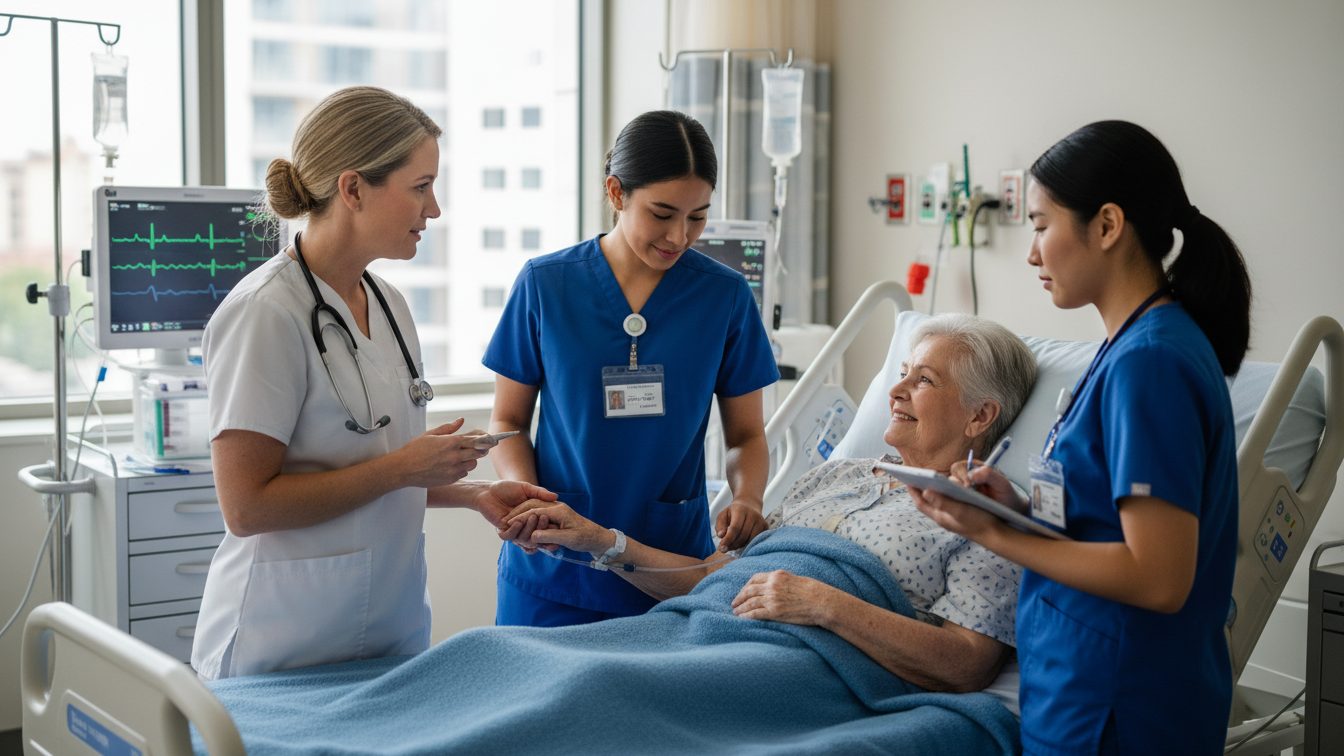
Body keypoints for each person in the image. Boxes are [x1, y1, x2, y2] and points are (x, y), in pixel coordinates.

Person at [192, 86, 556, 680]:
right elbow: (247, 507)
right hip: (283, 634)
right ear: (353, 188)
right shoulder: (265, 313)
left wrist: (469, 494)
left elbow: (374, 466)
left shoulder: (389, 305)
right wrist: (406, 468)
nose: (433, 210)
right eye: (420, 187)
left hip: (389, 626)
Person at [913, 121, 1250, 755]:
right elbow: (1105, 523)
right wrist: (1011, 506)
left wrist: (997, 535)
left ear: (1107, 225)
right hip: (1086, 694)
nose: (1033, 253)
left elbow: (1158, 576)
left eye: (1041, 226)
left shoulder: (1152, 363)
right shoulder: (1126, 349)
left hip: (1122, 708)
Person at [505, 313, 1037, 695]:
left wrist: (825, 603)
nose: (896, 390)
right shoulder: (837, 476)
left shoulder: (984, 516)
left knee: (594, 690)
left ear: (980, 416)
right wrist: (597, 538)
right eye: (901, 373)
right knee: (521, 663)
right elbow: (718, 580)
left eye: (924, 380)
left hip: (791, 671)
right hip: (704, 632)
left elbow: (968, 665)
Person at [483, 111, 779, 627]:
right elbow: (507, 421)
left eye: (697, 216)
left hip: (669, 570)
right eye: (662, 213)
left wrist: (748, 495)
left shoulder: (724, 297)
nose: (679, 236)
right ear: (616, 193)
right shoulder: (545, 286)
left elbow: (747, 434)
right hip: (551, 563)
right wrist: (526, 499)